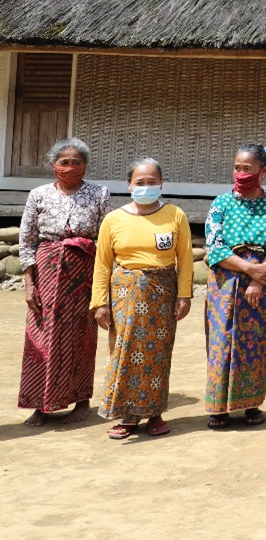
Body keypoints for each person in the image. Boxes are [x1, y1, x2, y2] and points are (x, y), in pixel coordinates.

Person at [92, 157, 193, 439]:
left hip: (162, 293)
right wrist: (100, 303)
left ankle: (155, 413)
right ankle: (127, 415)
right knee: (124, 353)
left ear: (161, 184)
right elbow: (102, 263)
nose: (146, 187)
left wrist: (184, 295)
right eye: (140, 182)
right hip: (123, 294)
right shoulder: (113, 219)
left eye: (152, 182)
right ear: (129, 185)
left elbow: (185, 260)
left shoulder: (175, 215)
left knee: (157, 355)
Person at [18, 138, 111, 427]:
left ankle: (81, 400)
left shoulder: (99, 193)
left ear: (85, 165)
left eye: (76, 162)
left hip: (84, 270)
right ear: (53, 165)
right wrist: (29, 283)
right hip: (45, 269)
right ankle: (41, 403)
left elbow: (106, 238)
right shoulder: (38, 194)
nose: (70, 167)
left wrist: (102, 285)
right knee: (42, 335)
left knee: (81, 334)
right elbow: (27, 239)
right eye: (63, 162)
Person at [204, 144, 266, 429]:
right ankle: (219, 407)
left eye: (248, 168)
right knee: (222, 341)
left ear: (263, 171)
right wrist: (249, 268)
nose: (241, 173)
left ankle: (251, 403)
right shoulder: (221, 204)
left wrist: (257, 279)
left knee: (257, 341)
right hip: (225, 282)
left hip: (263, 284)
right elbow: (214, 246)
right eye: (237, 167)